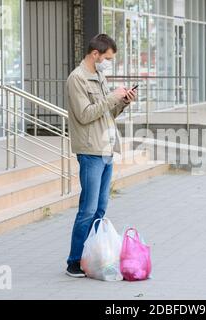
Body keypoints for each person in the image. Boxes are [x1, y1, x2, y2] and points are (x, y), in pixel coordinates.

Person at [65, 34, 137, 278]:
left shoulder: (99, 76)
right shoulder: (77, 79)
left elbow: (105, 114)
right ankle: (74, 262)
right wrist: (111, 98)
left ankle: (91, 257)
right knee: (87, 209)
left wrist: (123, 102)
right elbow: (85, 115)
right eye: (107, 58)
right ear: (95, 53)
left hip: (106, 149)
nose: (108, 63)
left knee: (100, 209)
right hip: (90, 151)